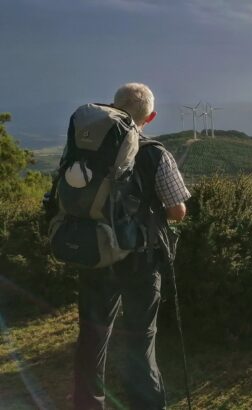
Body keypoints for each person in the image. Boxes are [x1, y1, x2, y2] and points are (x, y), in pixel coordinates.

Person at [73, 83, 190, 410]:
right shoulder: (155, 153)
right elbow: (177, 211)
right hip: (141, 259)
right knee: (140, 341)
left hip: (95, 255)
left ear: (112, 107)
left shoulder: (88, 149)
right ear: (150, 117)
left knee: (92, 339)